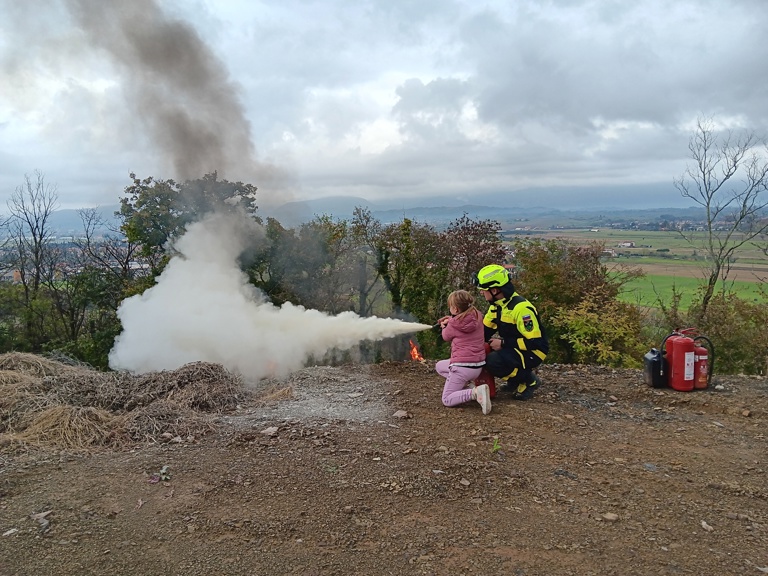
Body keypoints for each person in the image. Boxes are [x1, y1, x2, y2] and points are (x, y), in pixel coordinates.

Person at [473, 264, 549, 400]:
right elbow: (483, 333)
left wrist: (503, 343)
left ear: (494, 290)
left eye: (483, 290)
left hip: (534, 351)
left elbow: (536, 342)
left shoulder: (521, 309)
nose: (481, 293)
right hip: (515, 347)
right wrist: (456, 323)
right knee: (483, 351)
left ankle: (529, 381)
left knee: (493, 361)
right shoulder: (497, 307)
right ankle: (515, 380)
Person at [435, 290, 491, 415]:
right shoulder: (477, 315)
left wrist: (445, 326)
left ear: (455, 309)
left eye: (450, 306)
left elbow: (445, 336)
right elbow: (462, 319)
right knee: (439, 366)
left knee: (447, 399)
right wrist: (451, 319)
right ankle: (466, 385)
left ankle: (475, 393)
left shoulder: (453, 325)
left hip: (461, 368)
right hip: (477, 367)